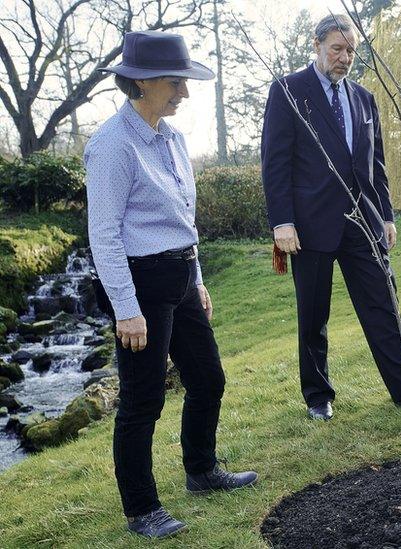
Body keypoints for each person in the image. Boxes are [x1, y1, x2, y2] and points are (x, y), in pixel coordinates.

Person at [86, 31, 258, 539]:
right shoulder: (112, 145)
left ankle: (201, 471)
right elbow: (104, 235)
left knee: (208, 379)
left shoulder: (173, 138)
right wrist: (126, 308)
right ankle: (142, 509)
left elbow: (184, 218)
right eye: (175, 83)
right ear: (141, 84)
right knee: (144, 401)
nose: (183, 93)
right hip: (138, 284)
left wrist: (197, 278)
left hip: (181, 276)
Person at [260, 14, 401, 420]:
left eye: (350, 51)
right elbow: (275, 162)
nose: (344, 58)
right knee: (313, 315)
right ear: (317, 45)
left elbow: (376, 166)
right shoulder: (288, 91)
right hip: (309, 225)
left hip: (363, 221)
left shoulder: (364, 98)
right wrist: (282, 221)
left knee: (384, 305)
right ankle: (318, 397)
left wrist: (386, 215)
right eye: (336, 49)